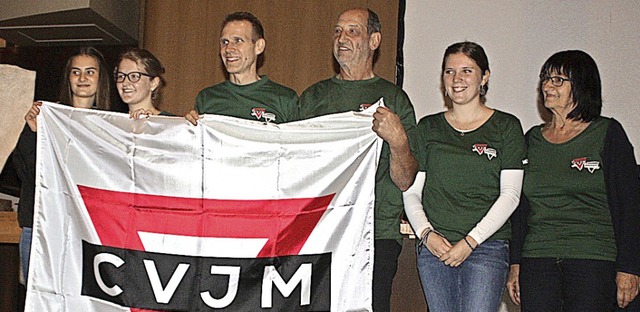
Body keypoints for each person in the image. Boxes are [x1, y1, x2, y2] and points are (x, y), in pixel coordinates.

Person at [299, 8, 417, 311]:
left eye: (353, 31)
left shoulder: (394, 100)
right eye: (338, 31)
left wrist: (398, 140)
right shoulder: (313, 98)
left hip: (375, 232)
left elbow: (405, 179)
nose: (342, 38)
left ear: (374, 40)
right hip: (321, 230)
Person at [507, 50, 640, 311]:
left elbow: (630, 205)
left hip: (594, 260)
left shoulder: (607, 133)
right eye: (545, 78)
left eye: (558, 80)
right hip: (537, 260)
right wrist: (515, 265)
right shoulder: (530, 139)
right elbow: (519, 209)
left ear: (581, 85)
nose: (547, 85)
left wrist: (630, 267)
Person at [403, 41, 526, 311]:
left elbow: (511, 195)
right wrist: (427, 235)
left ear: (485, 77)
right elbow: (411, 191)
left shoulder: (507, 127)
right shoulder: (428, 127)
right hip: (435, 247)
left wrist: (471, 242)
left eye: (466, 71)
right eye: (449, 71)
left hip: (487, 248)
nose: (457, 79)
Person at [13, 46, 111, 283]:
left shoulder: (110, 127)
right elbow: (26, 172)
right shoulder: (45, 116)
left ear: (100, 80)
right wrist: (35, 133)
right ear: (68, 78)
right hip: (41, 228)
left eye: (90, 72)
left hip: (87, 232)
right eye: (76, 72)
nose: (83, 78)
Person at [185, 11, 298, 125]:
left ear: (259, 46)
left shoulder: (284, 98)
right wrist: (189, 127)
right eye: (225, 42)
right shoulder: (207, 98)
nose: (228, 49)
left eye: (238, 41)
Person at [114, 48, 172, 118]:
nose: (125, 83)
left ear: (153, 83)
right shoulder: (113, 123)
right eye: (121, 76)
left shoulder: (171, 125)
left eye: (134, 76)